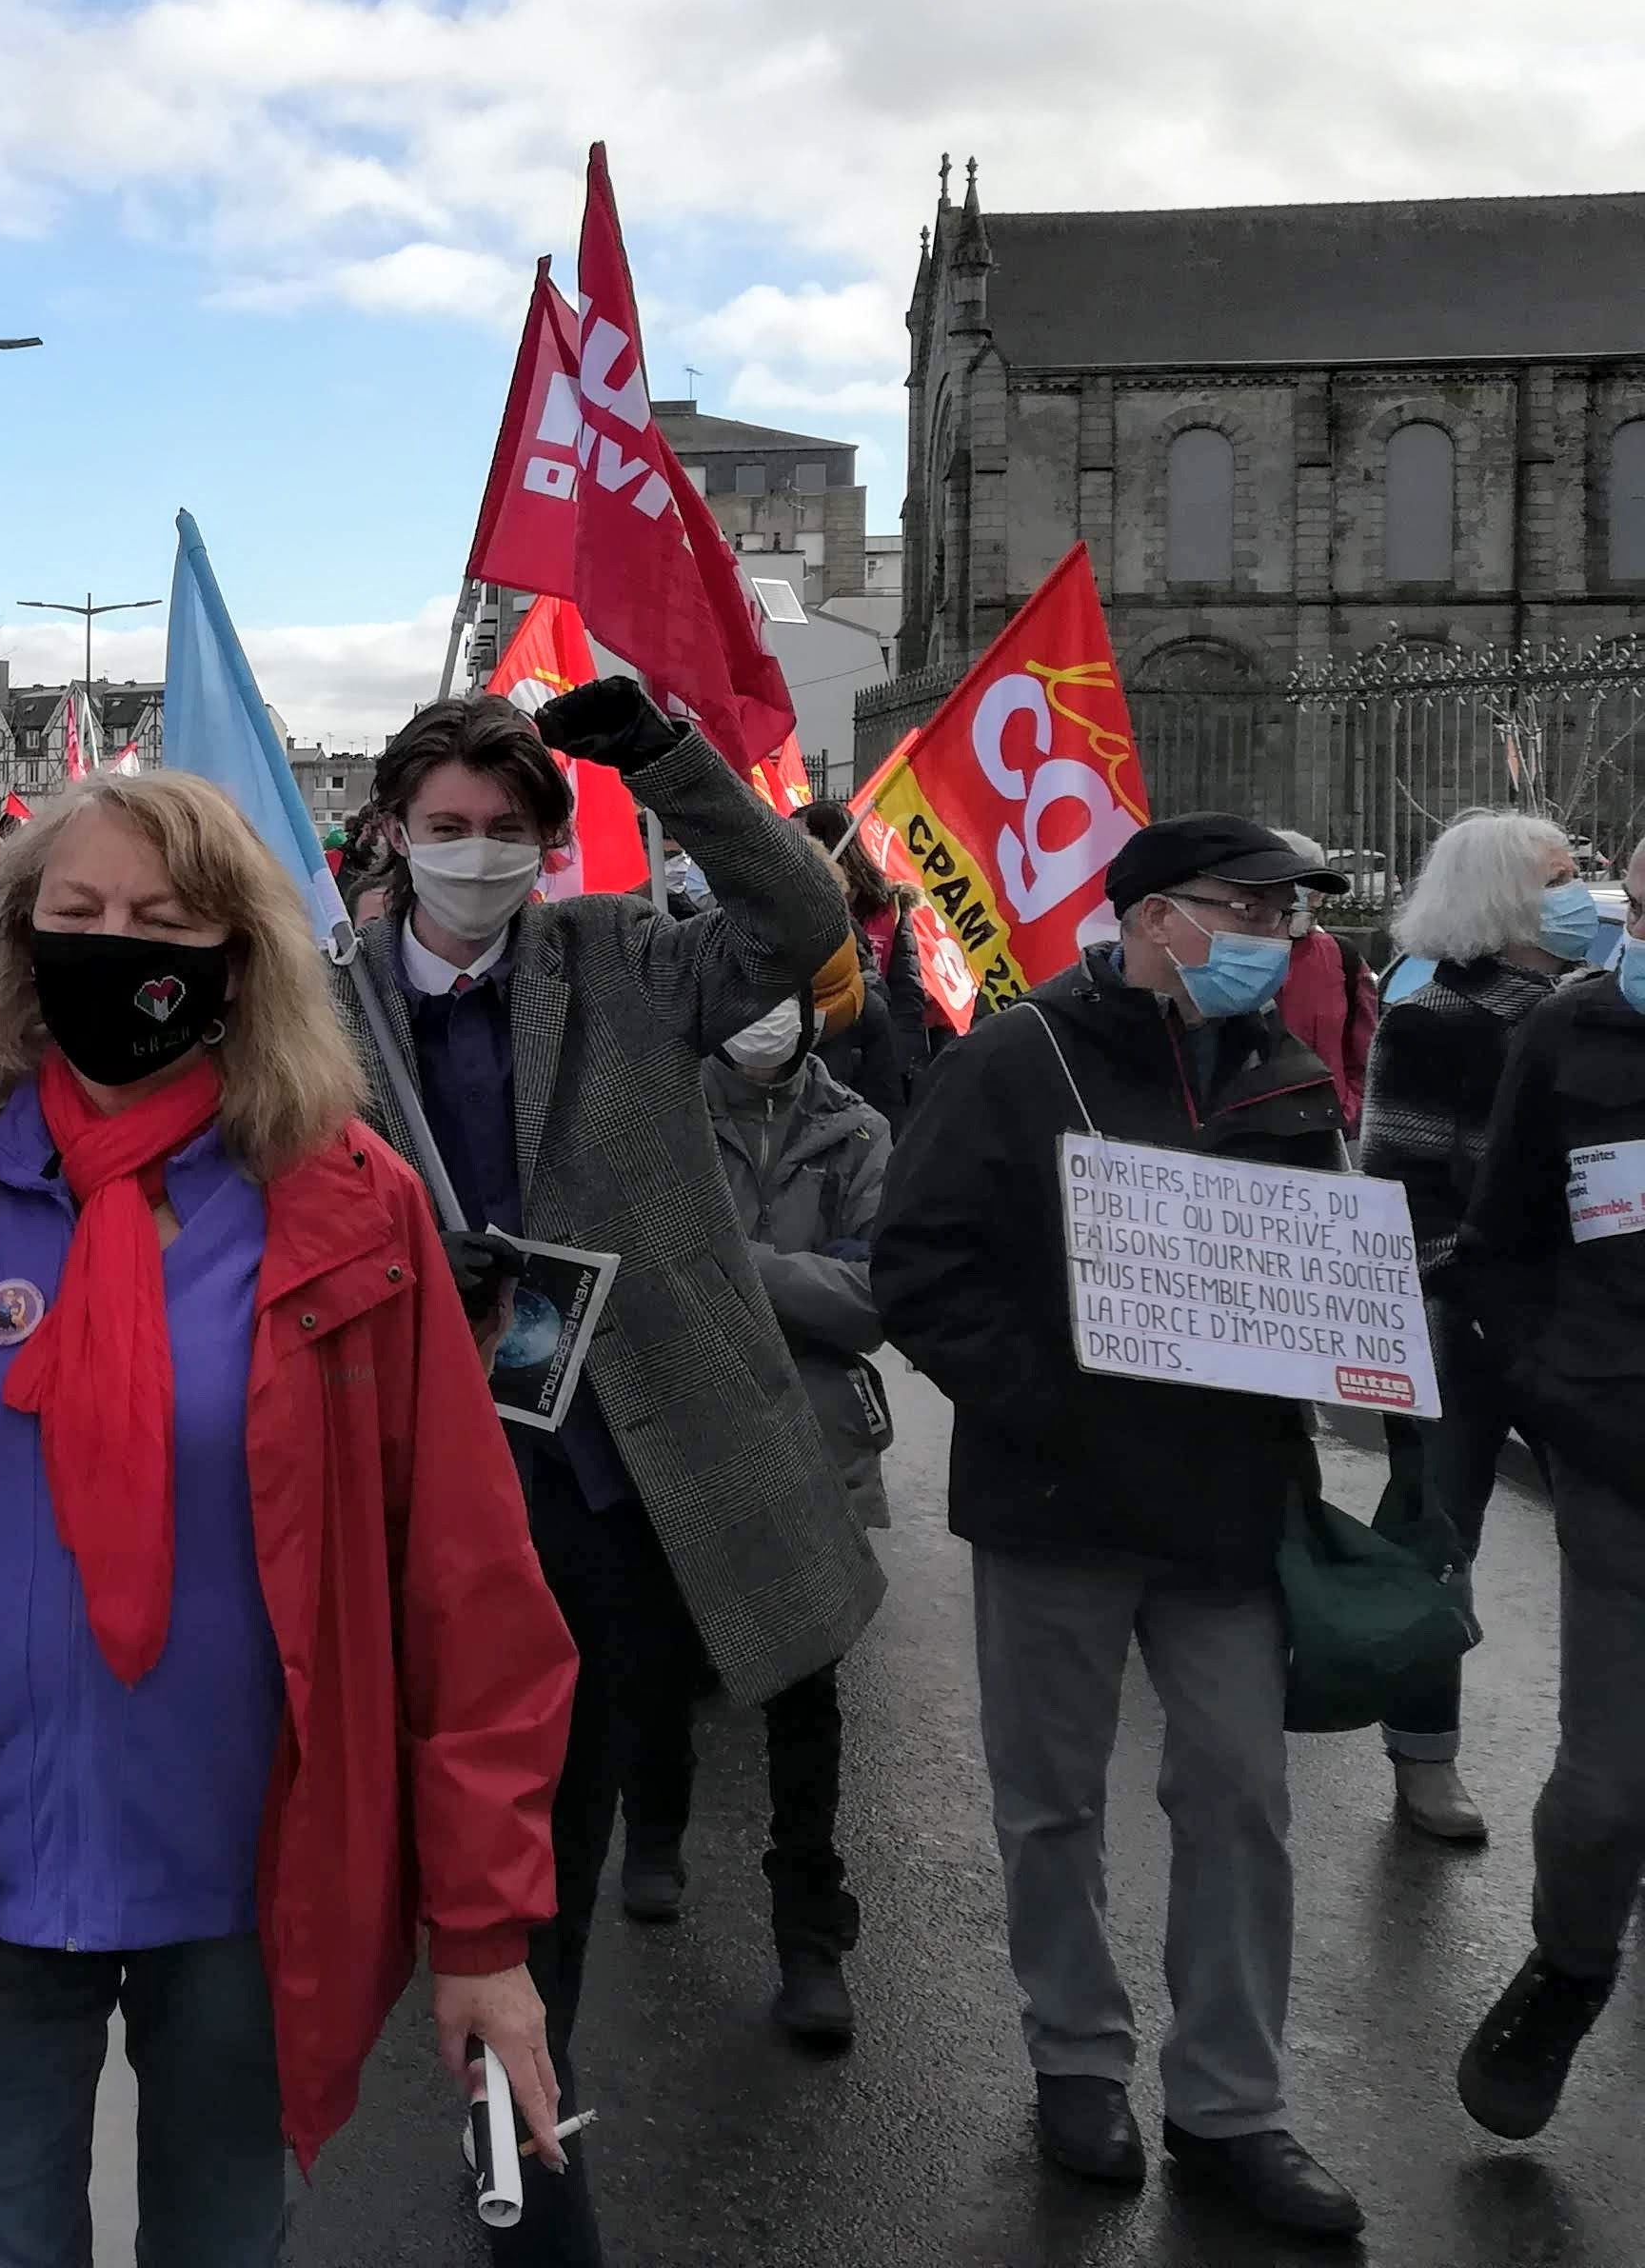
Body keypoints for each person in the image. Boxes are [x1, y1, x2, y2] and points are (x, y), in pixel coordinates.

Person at [0, 770, 573, 2259]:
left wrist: (487, 1932)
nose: (116, 948)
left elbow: (467, 1585)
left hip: (253, 1866)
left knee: (221, 2237)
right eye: (76, 914)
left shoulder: (350, 1203)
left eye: (163, 920)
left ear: (241, 955)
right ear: (18, 946)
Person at [351, 685, 873, 2266]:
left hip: (592, 1489)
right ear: (388, 835)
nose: (473, 856)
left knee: (549, 1848)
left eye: (505, 832)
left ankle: (525, 2139)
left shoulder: (619, 960)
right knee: (391, 1839)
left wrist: (656, 753)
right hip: (400, 1489)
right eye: (443, 830)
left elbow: (793, 913)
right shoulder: (318, 1007)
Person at [876, 815, 1362, 2240]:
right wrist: (1047, 1405)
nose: (1274, 936)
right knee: (1052, 1797)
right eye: (1245, 907)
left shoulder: (1281, 1072)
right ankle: (1075, 2061)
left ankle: (1231, 2105)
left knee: (1239, 1799)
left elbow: (1317, 1266)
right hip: (1056, 1500)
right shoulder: (1017, 1061)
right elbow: (919, 1263)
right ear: (1154, 916)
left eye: (1287, 915)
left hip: (1221, 1508)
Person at [618, 990, 892, 2049]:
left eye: (788, 993)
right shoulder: (650, 1116)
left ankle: (807, 1933)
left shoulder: (857, 1130)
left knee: (802, 1693)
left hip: (805, 1446)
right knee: (654, 1658)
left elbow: (876, 1294)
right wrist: (777, 1282)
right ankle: (651, 1830)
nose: (764, 1015)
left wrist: (733, 1268)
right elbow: (632, 1267)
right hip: (671, 1432)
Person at [1353, 809, 1609, 1847]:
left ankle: (1605, 1773)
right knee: (1433, 1538)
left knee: (1606, 1540)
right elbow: (1398, 1194)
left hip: (1591, 1332)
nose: (1579, 890)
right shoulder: (1433, 1023)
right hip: (1464, 1329)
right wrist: (1476, 1294)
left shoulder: (1598, 1015)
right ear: (1500, 896)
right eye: (1558, 875)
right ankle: (1422, 1760)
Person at [1445, 816, 1645, 2142]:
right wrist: (1559, 1387)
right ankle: (1570, 1970)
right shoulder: (1567, 1036)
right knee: (1606, 1790)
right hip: (1624, 1460)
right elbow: (1501, 1242)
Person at [794, 800, 939, 1115]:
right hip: (817, 1049)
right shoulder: (790, 908)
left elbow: (906, 990)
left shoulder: (889, 908)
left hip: (874, 1055)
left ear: (828, 841)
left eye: (801, 837)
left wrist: (904, 1059)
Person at [1270, 830, 1378, 1133]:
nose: (1308, 899)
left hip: (1330, 1131)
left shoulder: (1342, 958)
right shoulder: (1227, 958)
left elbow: (1365, 1056)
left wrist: (1347, 1110)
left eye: (1314, 890)